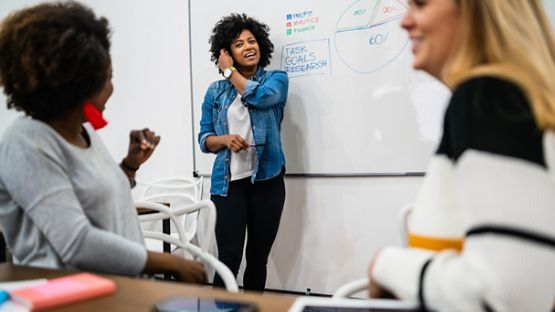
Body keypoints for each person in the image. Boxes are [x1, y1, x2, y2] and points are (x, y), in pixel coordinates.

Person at [368, 0, 555, 311]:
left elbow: (505, 297)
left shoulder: (489, 98)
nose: (405, 22)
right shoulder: (516, 98)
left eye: (421, 5)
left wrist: (385, 265)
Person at [0, 1, 206, 283]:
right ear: (76, 83)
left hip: (113, 289)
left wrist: (130, 166)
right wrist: (170, 262)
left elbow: (95, 196)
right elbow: (76, 241)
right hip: (66, 298)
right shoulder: (26, 142)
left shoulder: (83, 132)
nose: (112, 88)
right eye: (107, 78)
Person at [198, 13, 288, 291]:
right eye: (239, 44)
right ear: (226, 52)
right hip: (227, 186)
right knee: (227, 259)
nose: (249, 47)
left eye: (252, 41)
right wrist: (224, 139)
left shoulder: (276, 80)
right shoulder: (215, 92)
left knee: (257, 258)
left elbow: (262, 98)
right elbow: (204, 139)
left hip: (267, 182)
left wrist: (229, 72)